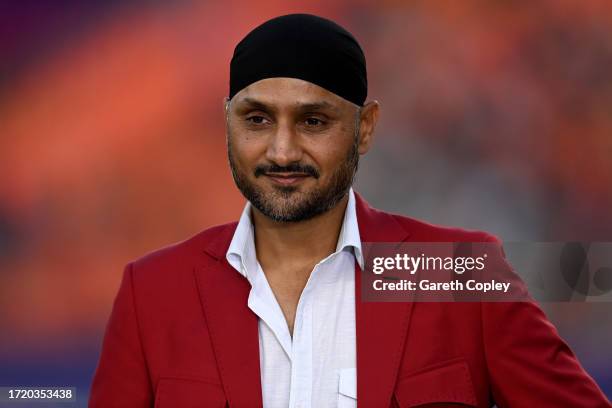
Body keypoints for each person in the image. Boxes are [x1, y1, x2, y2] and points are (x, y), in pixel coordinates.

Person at [89, 13, 610, 408]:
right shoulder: (152, 291)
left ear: (365, 128)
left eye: (313, 121)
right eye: (257, 120)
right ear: (228, 123)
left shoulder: (457, 273)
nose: (283, 151)